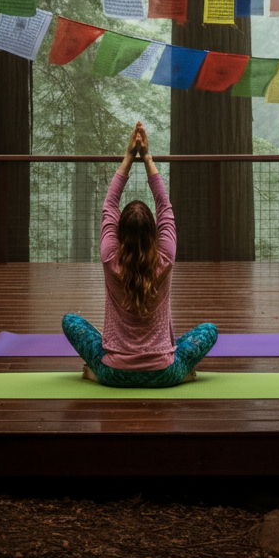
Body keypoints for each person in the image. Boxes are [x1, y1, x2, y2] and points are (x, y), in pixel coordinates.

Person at [61, 122, 218, 387]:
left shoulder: (110, 256)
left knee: (71, 321)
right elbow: (164, 205)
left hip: (114, 373)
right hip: (163, 372)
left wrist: (128, 157)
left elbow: (110, 203)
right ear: (154, 231)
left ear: (119, 231)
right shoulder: (165, 256)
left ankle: (97, 372)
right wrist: (147, 158)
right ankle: (182, 374)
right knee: (209, 331)